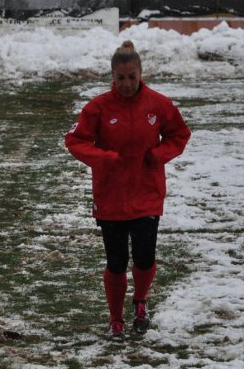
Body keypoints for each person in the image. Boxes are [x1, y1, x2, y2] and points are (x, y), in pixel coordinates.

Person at [65, 40, 190, 340]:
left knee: (145, 258)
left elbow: (179, 134)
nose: (126, 83)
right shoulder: (98, 108)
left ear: (140, 73)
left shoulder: (158, 104)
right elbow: (75, 141)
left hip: (147, 195)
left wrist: (158, 155)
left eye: (132, 77)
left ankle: (141, 302)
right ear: (112, 76)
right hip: (111, 198)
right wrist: (104, 158)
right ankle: (116, 319)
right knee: (116, 262)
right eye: (120, 77)